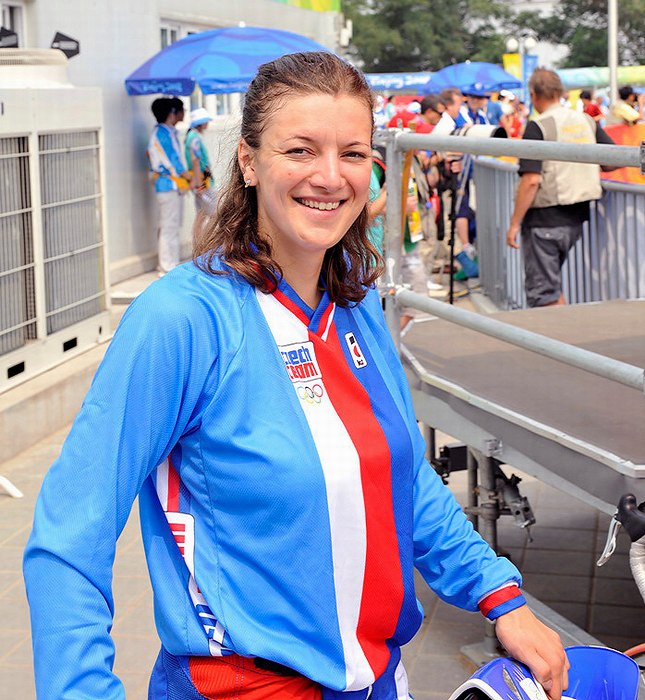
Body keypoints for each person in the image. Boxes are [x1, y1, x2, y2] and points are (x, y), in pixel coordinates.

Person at [24, 52, 568, 699]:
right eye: (301, 150)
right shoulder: (182, 319)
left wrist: (497, 593)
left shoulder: (359, 305)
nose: (329, 177)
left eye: (352, 153)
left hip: (376, 681)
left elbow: (400, 480)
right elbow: (68, 535)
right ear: (250, 163)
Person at [506, 68, 615, 307]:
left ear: (533, 95)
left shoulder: (538, 126)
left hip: (545, 219)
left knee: (544, 294)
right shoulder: (585, 120)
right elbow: (613, 159)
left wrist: (514, 223)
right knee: (551, 289)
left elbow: (531, 180)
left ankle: (557, 343)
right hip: (577, 216)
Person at [147, 96, 192, 274]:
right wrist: (190, 177)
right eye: (182, 110)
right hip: (167, 185)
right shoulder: (162, 134)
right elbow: (173, 160)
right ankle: (166, 267)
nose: (183, 114)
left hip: (173, 186)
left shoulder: (168, 132)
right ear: (173, 112)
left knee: (172, 226)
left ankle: (169, 264)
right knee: (168, 226)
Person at [185, 106, 218, 217]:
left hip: (200, 179)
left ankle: (199, 235)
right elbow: (195, 161)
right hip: (203, 180)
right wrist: (199, 184)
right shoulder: (194, 137)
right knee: (215, 213)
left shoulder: (191, 136)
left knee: (201, 215)